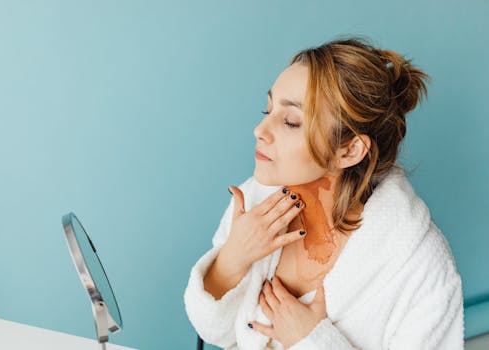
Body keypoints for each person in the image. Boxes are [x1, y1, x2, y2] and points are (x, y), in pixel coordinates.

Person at [184, 36, 464, 350]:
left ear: (349, 150)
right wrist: (232, 260)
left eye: (290, 122)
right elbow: (214, 330)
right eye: (268, 110)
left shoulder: (419, 266)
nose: (259, 131)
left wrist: (311, 341)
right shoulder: (255, 205)